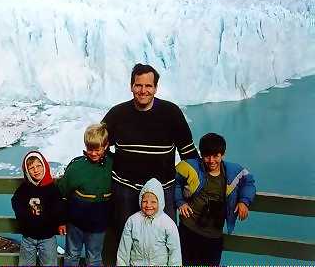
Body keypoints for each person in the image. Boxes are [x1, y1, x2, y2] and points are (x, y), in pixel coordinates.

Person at [102, 63, 199, 264]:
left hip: (163, 193)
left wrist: (195, 185)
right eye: (138, 85)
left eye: (148, 86)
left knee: (164, 241)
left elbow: (188, 154)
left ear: (155, 88)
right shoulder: (117, 114)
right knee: (125, 240)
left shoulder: (171, 113)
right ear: (131, 86)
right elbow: (98, 147)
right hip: (126, 191)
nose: (143, 90)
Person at [175, 132, 256, 265]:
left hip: (213, 235)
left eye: (216, 156)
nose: (211, 160)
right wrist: (180, 202)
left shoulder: (232, 171)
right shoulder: (192, 167)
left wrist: (244, 201)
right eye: (207, 156)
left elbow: (249, 182)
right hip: (189, 229)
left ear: (222, 154)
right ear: (201, 154)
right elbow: (176, 182)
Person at [56, 123, 113, 266]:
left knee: (94, 257)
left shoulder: (113, 165)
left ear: (106, 146)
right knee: (72, 255)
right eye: (89, 149)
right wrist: (62, 221)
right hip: (75, 224)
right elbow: (62, 195)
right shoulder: (76, 167)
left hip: (99, 225)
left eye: (97, 149)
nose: (93, 153)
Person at [11, 151, 65, 266]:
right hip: (28, 237)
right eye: (31, 168)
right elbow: (15, 202)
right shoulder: (24, 188)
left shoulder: (52, 188)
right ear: (27, 171)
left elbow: (60, 207)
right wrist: (23, 219)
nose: (36, 170)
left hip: (48, 236)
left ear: (44, 166)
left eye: (39, 166)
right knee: (26, 263)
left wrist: (61, 223)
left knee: (49, 263)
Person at [117, 178, 182, 266]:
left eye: (153, 202)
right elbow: (123, 251)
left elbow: (175, 253)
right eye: (144, 201)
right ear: (140, 201)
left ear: (160, 202)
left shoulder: (168, 224)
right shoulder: (132, 221)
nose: (148, 205)